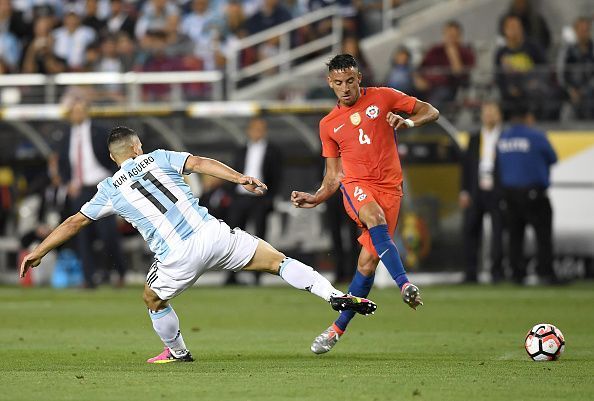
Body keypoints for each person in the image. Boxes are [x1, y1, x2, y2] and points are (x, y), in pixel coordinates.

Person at [20, 126, 377, 363]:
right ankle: (331, 295)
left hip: (176, 255)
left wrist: (38, 251)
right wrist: (241, 178)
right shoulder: (158, 157)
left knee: (152, 298)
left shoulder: (110, 188)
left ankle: (177, 352)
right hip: (213, 234)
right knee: (277, 261)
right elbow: (202, 163)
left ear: (114, 158)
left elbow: (75, 221)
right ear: (136, 147)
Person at [291, 54, 438, 354]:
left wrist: (407, 121)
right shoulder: (328, 125)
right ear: (329, 84)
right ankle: (405, 284)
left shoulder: (384, 97)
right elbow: (334, 176)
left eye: (349, 81)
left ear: (359, 79)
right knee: (373, 216)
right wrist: (317, 196)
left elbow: (431, 111)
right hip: (357, 186)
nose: (345, 88)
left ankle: (336, 329)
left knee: (367, 263)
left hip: (391, 189)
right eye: (338, 83)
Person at [52, 99, 126, 288]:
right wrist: (68, 183)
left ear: (87, 112)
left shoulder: (100, 131)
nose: (77, 114)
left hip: (102, 186)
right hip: (80, 189)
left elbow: (114, 156)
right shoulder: (66, 134)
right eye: (74, 111)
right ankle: (88, 278)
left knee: (107, 233)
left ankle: (118, 272)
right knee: (81, 235)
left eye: (80, 110)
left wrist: (115, 179)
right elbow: (61, 162)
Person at [496, 107, 558, 285]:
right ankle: (545, 272)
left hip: (510, 194)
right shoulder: (537, 136)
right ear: (528, 118)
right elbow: (553, 158)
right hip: (534, 193)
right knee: (543, 236)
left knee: (515, 236)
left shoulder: (503, 138)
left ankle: (517, 273)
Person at [225, 117, 282, 285]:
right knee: (233, 238)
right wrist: (232, 196)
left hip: (260, 199)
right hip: (239, 198)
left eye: (261, 129)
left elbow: (277, 177)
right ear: (249, 131)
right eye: (255, 128)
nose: (258, 132)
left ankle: (257, 276)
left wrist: (269, 198)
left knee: (259, 237)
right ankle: (232, 275)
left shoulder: (273, 151)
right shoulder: (240, 150)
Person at [460, 101, 505, 283]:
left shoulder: (505, 137)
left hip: (497, 190)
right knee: (471, 231)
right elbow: (466, 167)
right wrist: (464, 191)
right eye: (486, 112)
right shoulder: (474, 138)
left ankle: (497, 272)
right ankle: (470, 273)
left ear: (499, 115)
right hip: (476, 190)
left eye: (492, 112)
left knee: (498, 233)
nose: (489, 115)